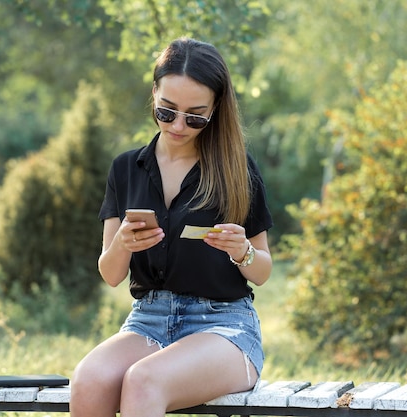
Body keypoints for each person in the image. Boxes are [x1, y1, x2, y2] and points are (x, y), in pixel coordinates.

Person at [70, 37, 273, 417]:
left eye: (195, 116)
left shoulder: (237, 169)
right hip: (148, 319)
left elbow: (262, 271)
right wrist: (123, 245)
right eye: (167, 111)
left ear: (215, 110)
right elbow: (111, 274)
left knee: (143, 381)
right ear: (154, 94)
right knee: (88, 381)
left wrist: (242, 250)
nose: (179, 125)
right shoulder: (126, 168)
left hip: (224, 326)